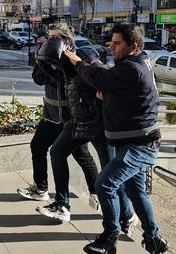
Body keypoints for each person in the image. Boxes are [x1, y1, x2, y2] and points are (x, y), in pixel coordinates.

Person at [64, 22, 169, 254]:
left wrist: (77, 61)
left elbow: (98, 77)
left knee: (105, 182)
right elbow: (117, 88)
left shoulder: (132, 68)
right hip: (132, 141)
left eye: (117, 43)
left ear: (133, 46)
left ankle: (109, 237)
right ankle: (154, 238)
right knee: (134, 191)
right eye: (111, 42)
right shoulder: (135, 64)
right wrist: (107, 94)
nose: (111, 47)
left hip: (140, 144)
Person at [35, 36, 138, 235]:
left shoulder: (86, 58)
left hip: (100, 125)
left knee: (111, 173)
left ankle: (127, 216)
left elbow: (103, 77)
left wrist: (103, 92)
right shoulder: (62, 67)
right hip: (78, 122)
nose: (54, 69)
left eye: (55, 65)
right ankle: (62, 204)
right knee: (57, 152)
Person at [17, 24, 98, 202]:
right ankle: (41, 188)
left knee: (81, 155)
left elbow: (89, 77)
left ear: (67, 40)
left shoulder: (79, 56)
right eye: (49, 37)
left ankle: (97, 192)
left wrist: (63, 66)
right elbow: (37, 78)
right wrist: (48, 65)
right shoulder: (45, 55)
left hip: (73, 116)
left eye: (56, 38)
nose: (51, 41)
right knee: (37, 146)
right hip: (52, 115)